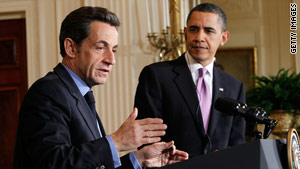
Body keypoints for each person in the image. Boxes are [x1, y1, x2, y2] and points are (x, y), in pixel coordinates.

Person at [13, 6, 188, 169]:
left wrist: (139, 160)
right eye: (100, 48)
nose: (111, 60)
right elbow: (52, 162)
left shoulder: (81, 95)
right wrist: (116, 141)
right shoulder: (48, 92)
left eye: (114, 50)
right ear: (71, 48)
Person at [134, 3, 246, 158]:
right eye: (194, 29)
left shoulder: (234, 86)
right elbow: (146, 137)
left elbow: (237, 143)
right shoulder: (156, 75)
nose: (199, 37)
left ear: (224, 38)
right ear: (185, 33)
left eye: (209, 30)